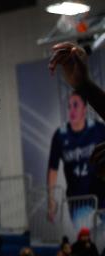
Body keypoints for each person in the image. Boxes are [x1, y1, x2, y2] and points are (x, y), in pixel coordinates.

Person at [46, 91, 105, 221]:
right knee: (87, 238)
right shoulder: (60, 135)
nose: (71, 110)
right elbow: (53, 170)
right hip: (78, 201)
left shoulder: (98, 129)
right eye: (69, 106)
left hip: (102, 196)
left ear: (84, 108)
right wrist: (51, 200)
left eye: (76, 105)